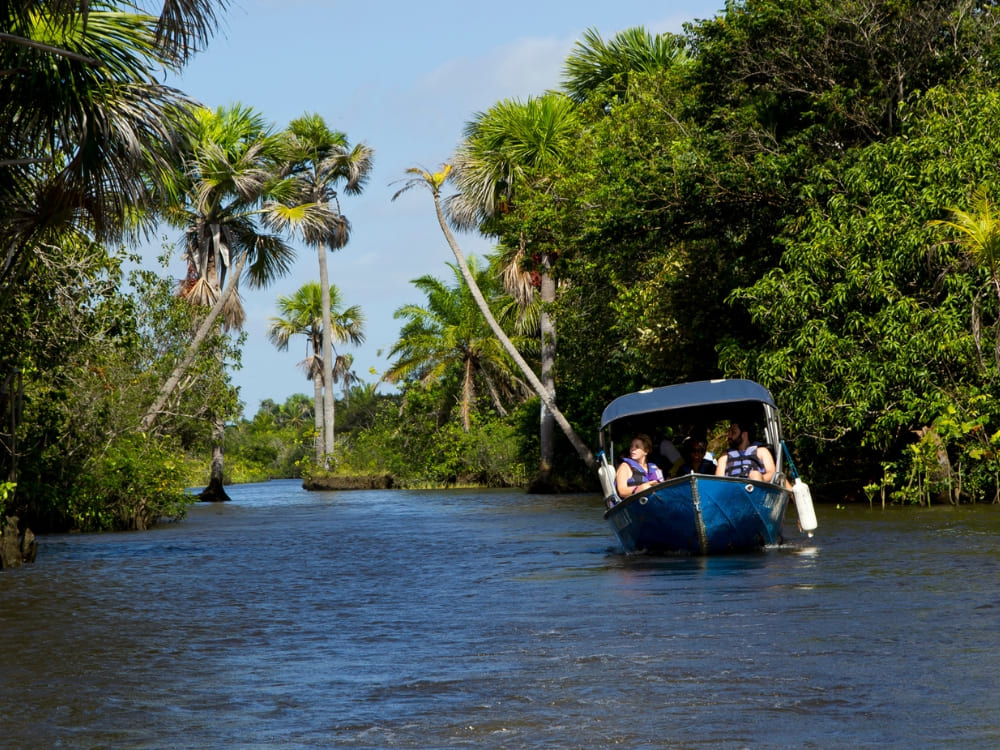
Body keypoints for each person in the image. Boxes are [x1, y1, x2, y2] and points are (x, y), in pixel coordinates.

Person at [615, 433, 664, 497]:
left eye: (637, 447)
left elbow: (663, 488)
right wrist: (640, 489)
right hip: (633, 504)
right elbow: (622, 491)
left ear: (646, 451)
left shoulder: (654, 467)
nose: (632, 449)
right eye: (631, 446)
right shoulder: (625, 467)